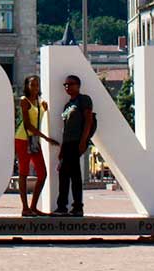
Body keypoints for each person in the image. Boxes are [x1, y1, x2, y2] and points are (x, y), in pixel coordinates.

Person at [52, 74, 94, 217]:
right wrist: (62, 150)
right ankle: (63, 207)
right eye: (65, 84)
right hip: (68, 144)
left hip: (77, 142)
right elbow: (65, 129)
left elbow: (88, 121)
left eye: (71, 84)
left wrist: (83, 141)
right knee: (64, 174)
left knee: (74, 175)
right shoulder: (67, 105)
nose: (67, 87)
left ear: (78, 85)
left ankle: (76, 207)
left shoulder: (84, 100)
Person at [15, 76, 57, 216]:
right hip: (23, 138)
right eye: (32, 85)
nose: (35, 87)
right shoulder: (24, 101)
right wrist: (45, 138)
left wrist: (44, 109)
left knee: (42, 174)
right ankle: (25, 208)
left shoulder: (40, 102)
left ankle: (33, 207)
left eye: (37, 85)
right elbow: (27, 125)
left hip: (33, 140)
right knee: (24, 173)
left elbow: (38, 118)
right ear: (27, 86)